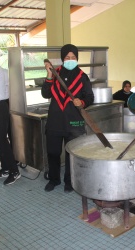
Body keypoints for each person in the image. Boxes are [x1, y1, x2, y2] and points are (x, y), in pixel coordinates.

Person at [42, 44, 94, 193]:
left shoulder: (82, 77)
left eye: (73, 58)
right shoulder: (55, 73)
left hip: (74, 122)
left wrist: (82, 102)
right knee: (53, 152)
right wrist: (49, 75)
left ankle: (69, 181)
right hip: (55, 122)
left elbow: (90, 97)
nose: (70, 60)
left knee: (72, 154)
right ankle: (54, 179)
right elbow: (45, 94)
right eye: (67, 57)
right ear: (62, 59)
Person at [0, 40, 21, 185]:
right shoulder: (1, 70)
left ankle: (14, 171)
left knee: (1, 140)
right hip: (0, 106)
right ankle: (5, 169)